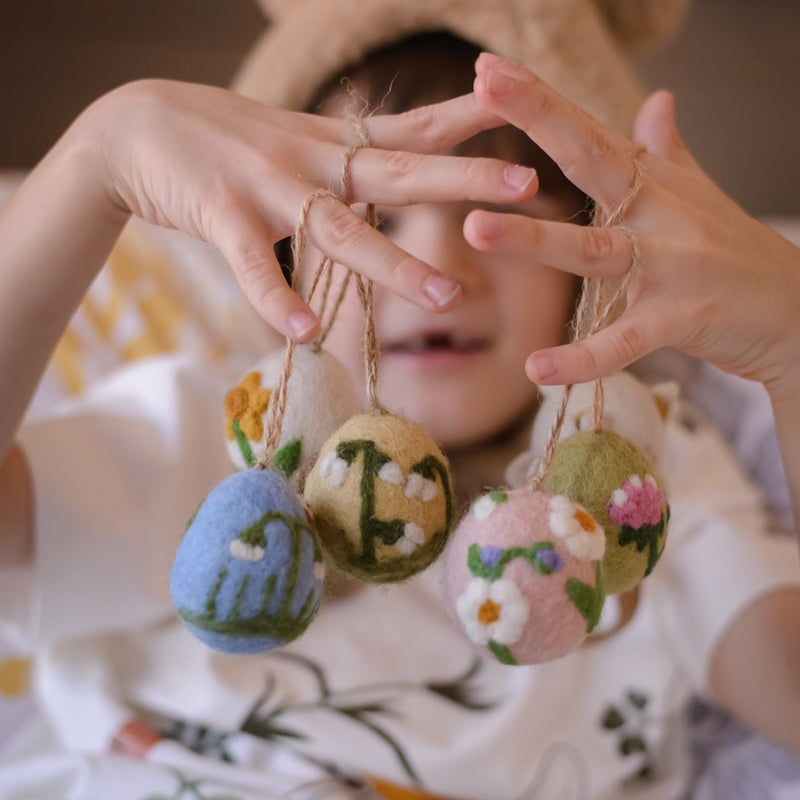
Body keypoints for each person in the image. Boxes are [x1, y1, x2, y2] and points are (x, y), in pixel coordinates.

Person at [0, 1, 799, 798]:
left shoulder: (644, 493)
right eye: (370, 220)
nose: (438, 267)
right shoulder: (230, 446)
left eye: (501, 217)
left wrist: (793, 347)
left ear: (594, 266)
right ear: (282, 263)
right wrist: (94, 162)